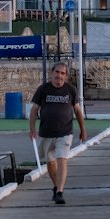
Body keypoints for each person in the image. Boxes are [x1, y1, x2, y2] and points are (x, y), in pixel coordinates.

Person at [28, 61, 86, 205]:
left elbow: (77, 111)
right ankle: (56, 186)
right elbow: (34, 110)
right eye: (57, 72)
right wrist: (32, 129)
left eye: (62, 73)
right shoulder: (43, 89)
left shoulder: (71, 90)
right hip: (46, 132)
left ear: (66, 76)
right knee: (50, 162)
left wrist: (83, 130)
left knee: (62, 160)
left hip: (65, 132)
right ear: (51, 73)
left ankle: (60, 192)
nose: (59, 76)